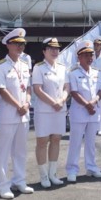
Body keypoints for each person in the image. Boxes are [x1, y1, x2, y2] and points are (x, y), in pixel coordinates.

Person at [0, 28, 34, 200]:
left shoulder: (25, 65)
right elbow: (2, 90)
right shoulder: (0, 66)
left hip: (23, 113)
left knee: (20, 150)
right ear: (8, 45)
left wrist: (26, 103)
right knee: (3, 152)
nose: (20, 47)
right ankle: (3, 185)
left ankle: (19, 180)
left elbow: (29, 88)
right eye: (17, 44)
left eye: (22, 44)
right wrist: (18, 104)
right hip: (8, 114)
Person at [66, 39, 101, 182]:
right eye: (86, 55)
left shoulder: (97, 72)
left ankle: (92, 167)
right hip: (79, 112)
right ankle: (72, 170)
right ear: (79, 57)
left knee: (91, 142)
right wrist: (87, 105)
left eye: (91, 55)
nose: (90, 58)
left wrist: (94, 101)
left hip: (94, 111)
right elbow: (74, 93)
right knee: (75, 142)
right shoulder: (73, 74)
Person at [32, 37, 69, 188]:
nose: (55, 51)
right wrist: (53, 102)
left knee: (56, 140)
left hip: (59, 110)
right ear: (44, 51)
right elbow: (37, 89)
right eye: (51, 48)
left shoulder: (62, 67)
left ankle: (52, 174)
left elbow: (67, 87)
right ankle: (43, 175)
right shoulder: (38, 68)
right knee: (42, 142)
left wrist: (62, 100)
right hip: (44, 111)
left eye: (57, 48)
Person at [92, 37, 101, 136]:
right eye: (95, 44)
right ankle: (92, 127)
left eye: (98, 44)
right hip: (91, 84)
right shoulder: (90, 56)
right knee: (91, 105)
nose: (96, 46)